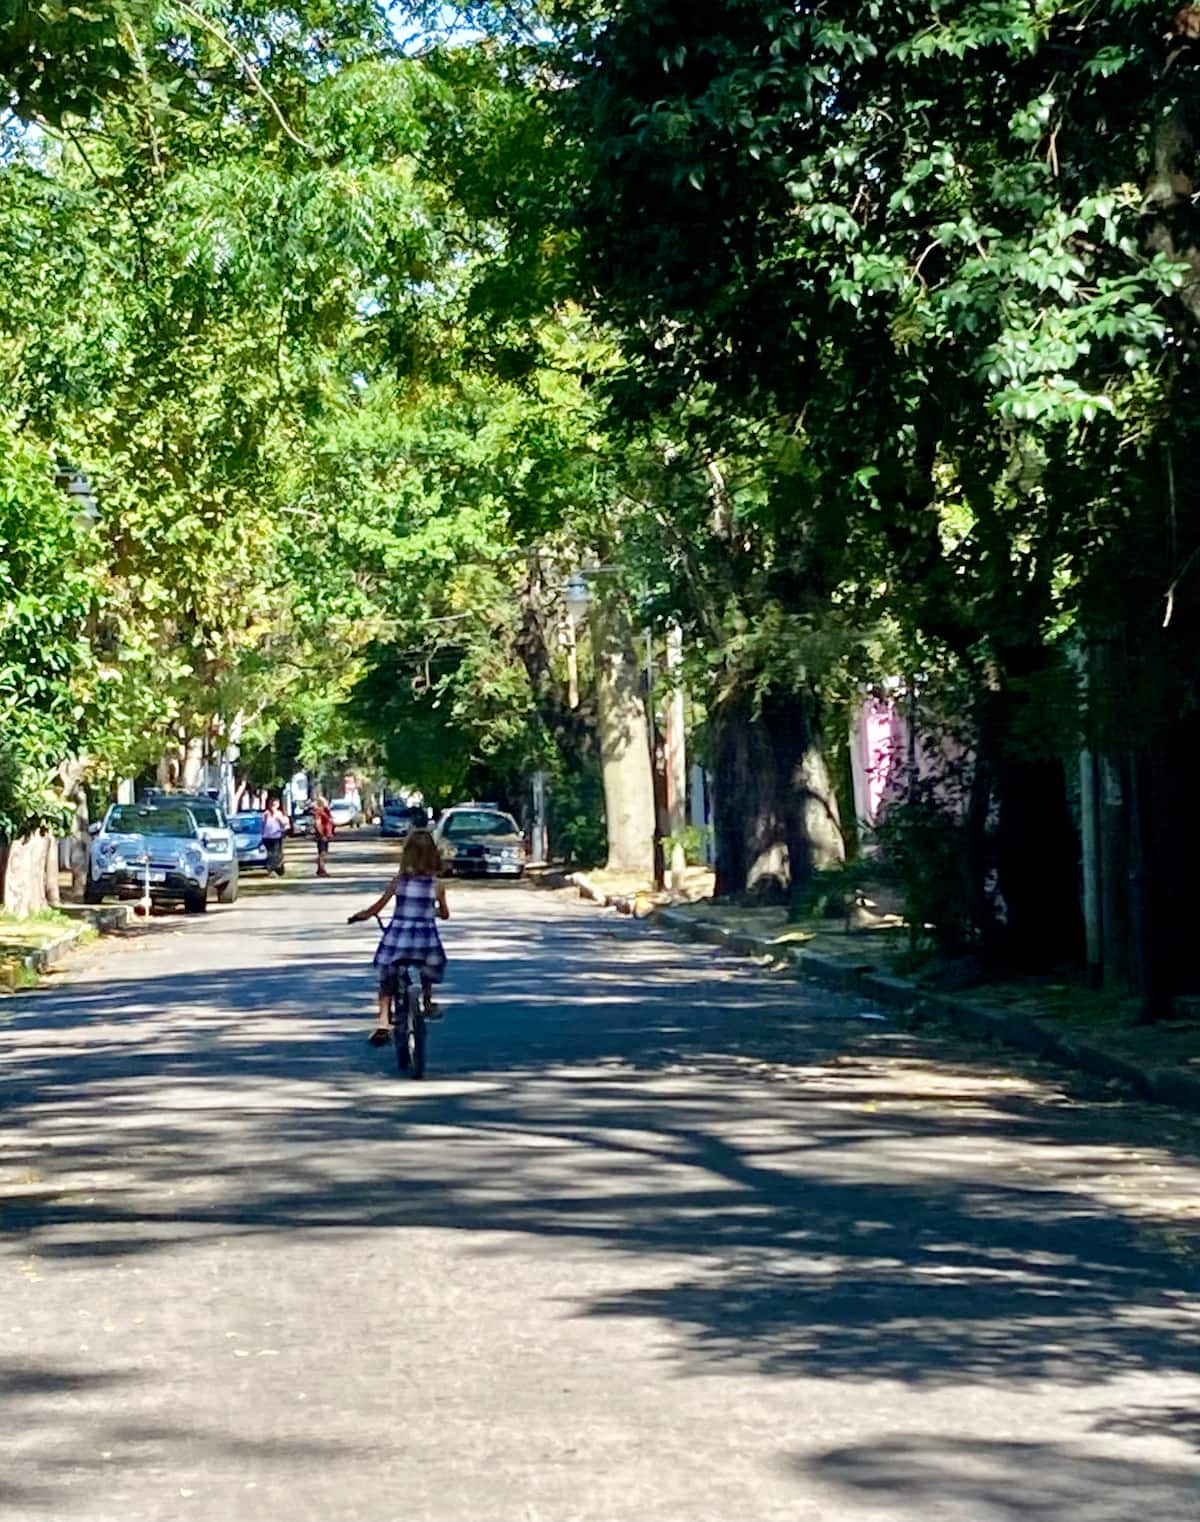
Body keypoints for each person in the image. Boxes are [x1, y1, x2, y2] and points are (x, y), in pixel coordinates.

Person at [348, 829, 449, 1045]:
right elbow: (445, 914)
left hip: (399, 941)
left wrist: (360, 916)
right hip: (424, 942)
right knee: (428, 967)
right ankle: (427, 1002)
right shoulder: (437, 885)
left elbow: (376, 908)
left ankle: (383, 1022)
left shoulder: (399, 882)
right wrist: (431, 912)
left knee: (387, 977)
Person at [261, 796, 288, 877]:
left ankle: (278, 869)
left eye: (275, 804)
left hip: (276, 836)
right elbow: (263, 825)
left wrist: (279, 818)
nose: (273, 806)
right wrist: (262, 834)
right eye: (272, 804)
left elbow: (284, 824)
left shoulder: (279, 813)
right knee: (270, 854)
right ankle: (271, 870)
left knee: (277, 854)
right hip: (267, 837)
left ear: (278, 805)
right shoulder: (265, 814)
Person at [312, 795, 334, 877]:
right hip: (322, 835)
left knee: (324, 852)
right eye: (325, 801)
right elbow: (317, 824)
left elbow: (330, 821)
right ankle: (321, 870)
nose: (327, 802)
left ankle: (320, 869)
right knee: (322, 853)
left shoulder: (326, 810)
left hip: (327, 834)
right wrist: (322, 834)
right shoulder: (319, 812)